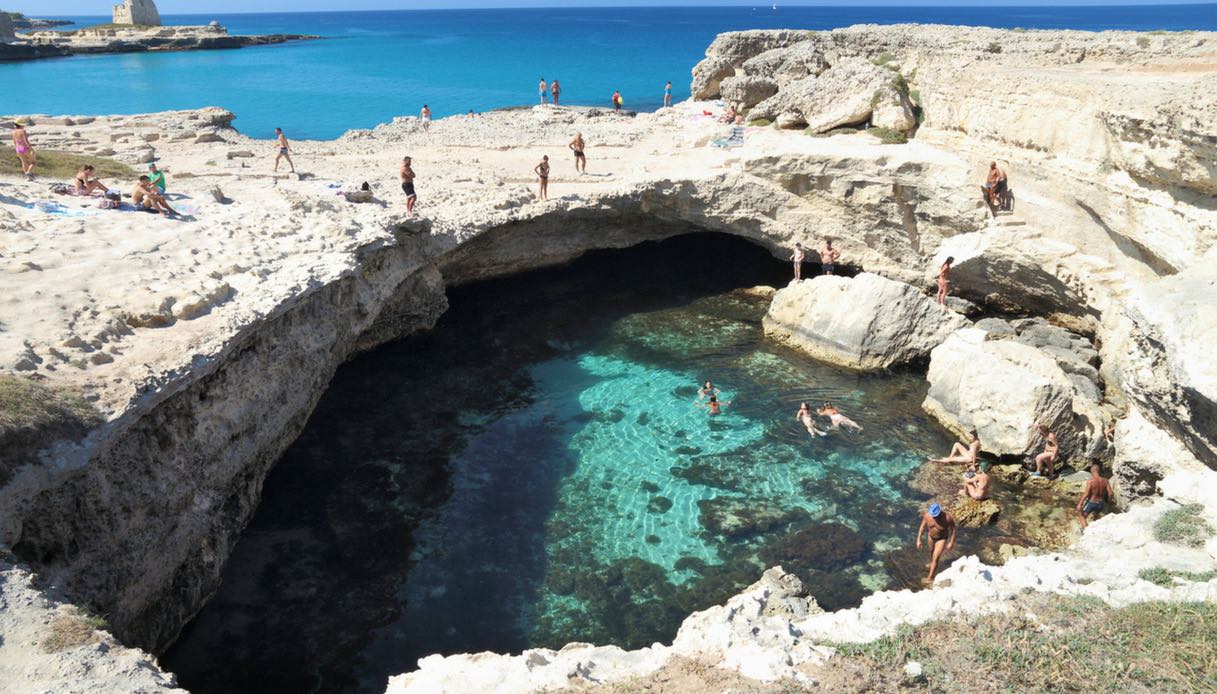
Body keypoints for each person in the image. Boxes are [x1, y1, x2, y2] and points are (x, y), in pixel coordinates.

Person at [916, 502, 956, 583]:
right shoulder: (927, 516)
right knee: (931, 552)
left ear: (940, 512)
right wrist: (918, 539)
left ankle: (930, 578)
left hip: (942, 539)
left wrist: (951, 542)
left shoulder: (947, 518)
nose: (934, 517)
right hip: (930, 537)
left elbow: (954, 530)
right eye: (933, 516)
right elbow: (922, 527)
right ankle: (932, 564)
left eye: (936, 516)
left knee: (936, 557)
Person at [1076, 463, 1112, 528]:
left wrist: (1080, 504)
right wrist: (1108, 502)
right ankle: (1095, 529)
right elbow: (1110, 493)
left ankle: (1087, 532)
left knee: (1082, 517)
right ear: (1099, 471)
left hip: (1091, 503)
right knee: (1096, 517)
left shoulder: (1091, 481)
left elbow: (1086, 494)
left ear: (1092, 470)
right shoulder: (1105, 481)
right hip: (1100, 503)